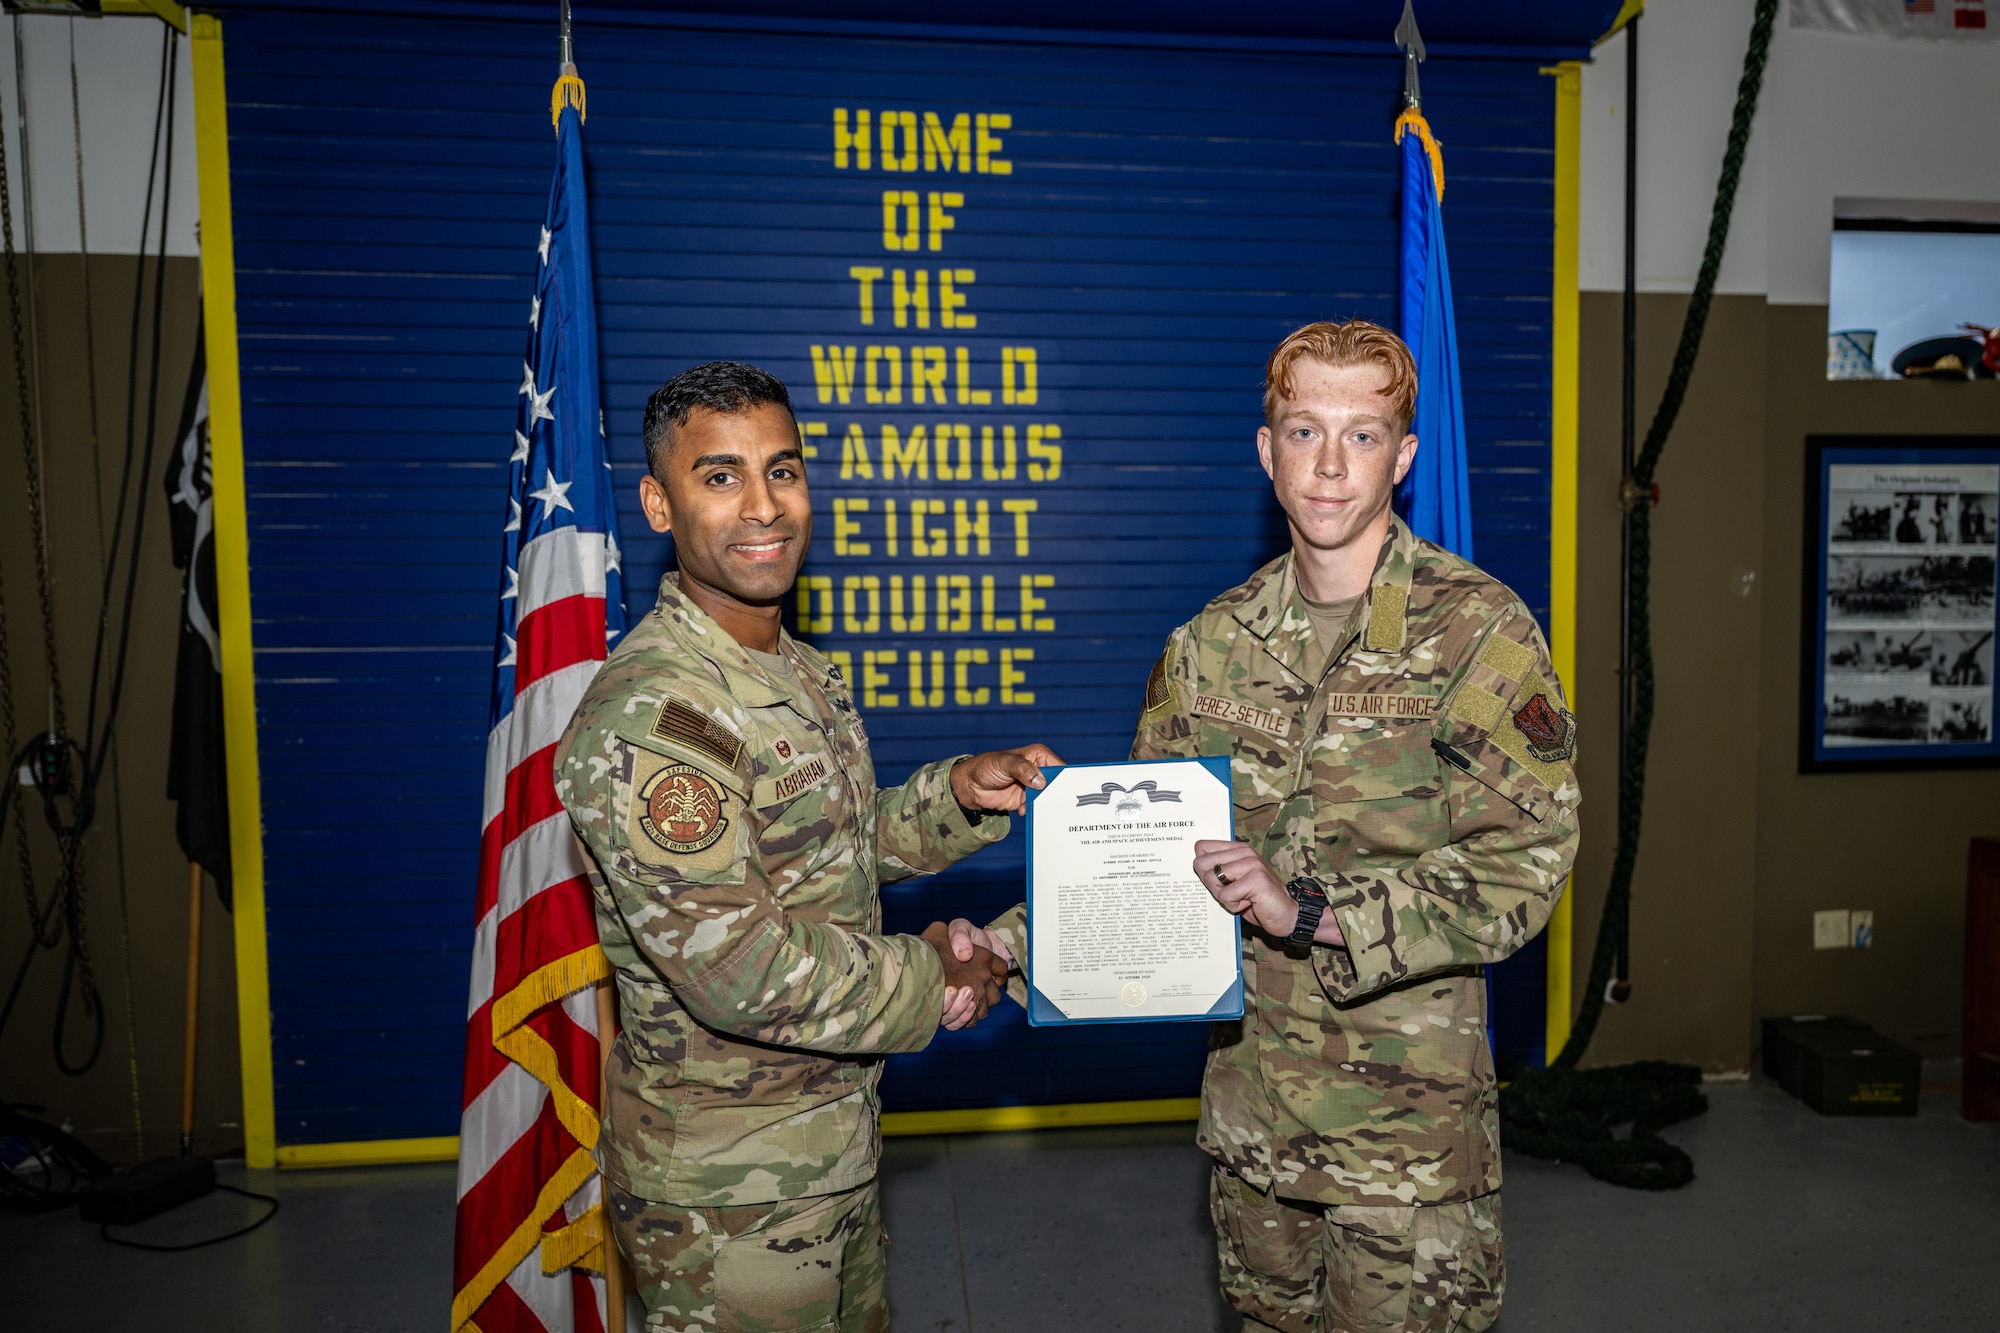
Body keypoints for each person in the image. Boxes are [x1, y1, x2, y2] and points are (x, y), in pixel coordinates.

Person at [953, 320, 1580, 1332]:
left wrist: (1313, 913)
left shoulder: (1478, 631)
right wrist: (1000, 953)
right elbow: (1142, 863)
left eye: (1362, 435)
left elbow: (1525, 868)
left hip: (1403, 1145)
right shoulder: (1207, 646)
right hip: (1255, 1132)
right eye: (1301, 431)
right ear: (1264, 449)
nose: (1328, 465)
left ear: (1403, 456)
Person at [557, 360, 1059, 1332]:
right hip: (729, 1193)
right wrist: (940, 972)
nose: (763, 506)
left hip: (832, 1138)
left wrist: (954, 795)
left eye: (781, 470)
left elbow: (827, 849)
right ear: (658, 504)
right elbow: (738, 967)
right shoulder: (656, 718)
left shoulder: (798, 669)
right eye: (720, 476)